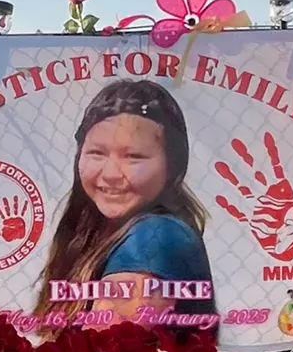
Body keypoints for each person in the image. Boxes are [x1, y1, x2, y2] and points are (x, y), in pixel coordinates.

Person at [34, 79, 216, 333]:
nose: (110, 173)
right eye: (97, 153)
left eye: (134, 157)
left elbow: (110, 343)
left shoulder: (154, 236)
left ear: (171, 165)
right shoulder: (101, 231)